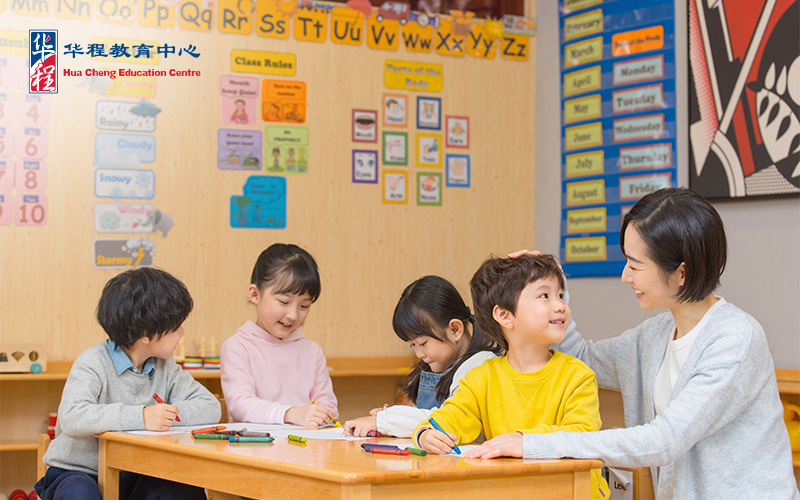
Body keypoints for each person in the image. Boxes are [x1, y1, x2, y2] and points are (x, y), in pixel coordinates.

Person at [471, 188, 800, 500]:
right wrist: (553, 282)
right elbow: (582, 356)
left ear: (681, 273)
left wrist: (533, 444)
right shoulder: (655, 335)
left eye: (636, 264)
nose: (626, 276)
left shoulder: (735, 338)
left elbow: (666, 440)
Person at [414, 255, 609, 500]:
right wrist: (426, 434)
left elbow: (581, 434)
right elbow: (451, 416)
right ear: (505, 316)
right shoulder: (482, 377)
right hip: (511, 490)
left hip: (571, 492)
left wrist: (524, 441)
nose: (561, 305)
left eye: (560, 295)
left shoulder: (578, 375)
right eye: (544, 296)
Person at [35, 268, 221, 500]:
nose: (182, 333)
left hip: (138, 471)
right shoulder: (92, 362)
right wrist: (141, 417)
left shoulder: (166, 367)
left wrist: (166, 416)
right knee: (80, 495)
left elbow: (211, 406)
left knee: (180, 491)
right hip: (78, 471)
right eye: (176, 327)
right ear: (146, 334)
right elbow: (72, 417)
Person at [342, 275, 501, 437]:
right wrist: (394, 417)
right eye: (413, 345)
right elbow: (429, 416)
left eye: (423, 343)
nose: (419, 353)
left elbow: (445, 420)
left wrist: (387, 421)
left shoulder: (480, 366)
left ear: (455, 329)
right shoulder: (443, 364)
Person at [221, 243, 338, 426]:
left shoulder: (312, 351)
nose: (293, 315)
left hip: (306, 449)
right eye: (284, 302)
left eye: (304, 306)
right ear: (255, 294)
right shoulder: (238, 347)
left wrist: (322, 416)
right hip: (254, 450)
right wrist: (290, 414)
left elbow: (328, 406)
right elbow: (240, 404)